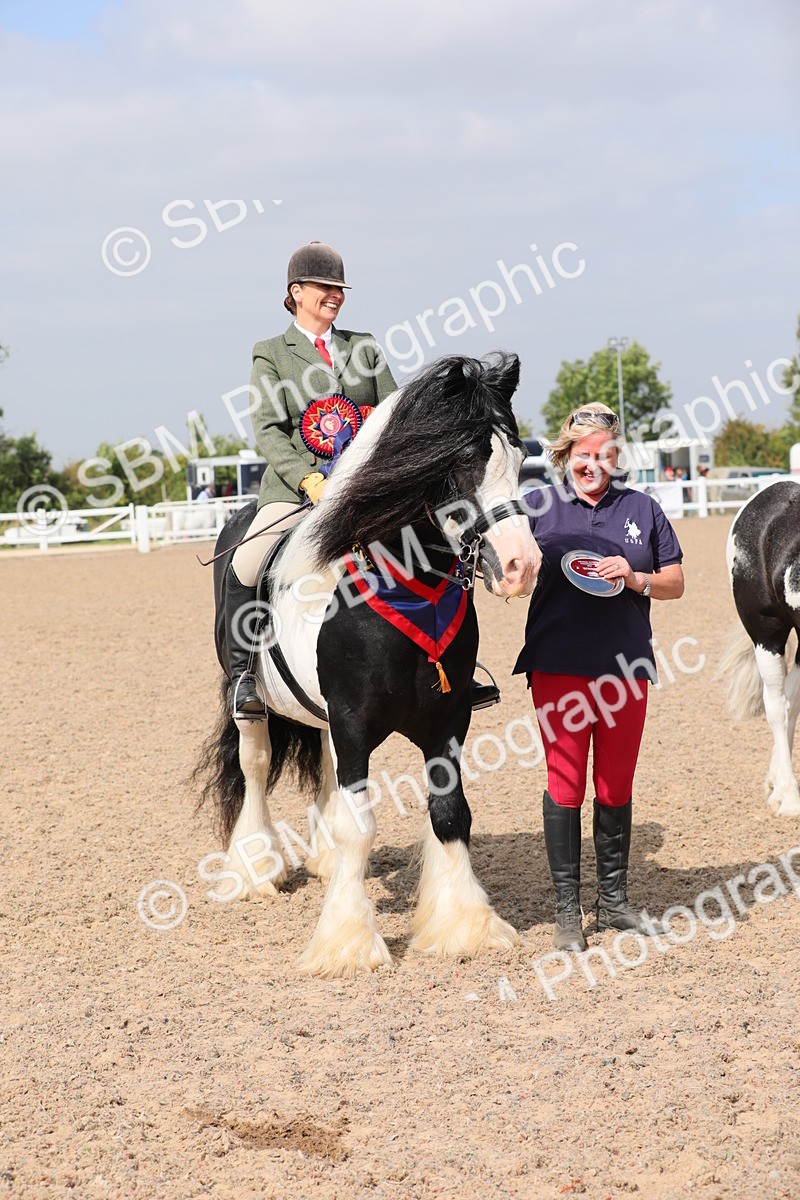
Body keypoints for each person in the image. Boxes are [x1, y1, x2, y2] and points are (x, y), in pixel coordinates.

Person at [225, 240, 501, 719]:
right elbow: (268, 429)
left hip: (365, 491)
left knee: (441, 543)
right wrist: (308, 480)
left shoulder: (363, 346)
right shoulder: (271, 353)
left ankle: (457, 666)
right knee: (246, 564)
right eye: (325, 287)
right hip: (297, 490)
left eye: (340, 288)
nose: (335, 295)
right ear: (297, 291)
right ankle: (243, 676)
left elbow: (395, 415)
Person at [513, 403, 684, 952]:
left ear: (615, 455)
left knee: (615, 783)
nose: (593, 464)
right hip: (557, 666)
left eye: (603, 453)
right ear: (567, 455)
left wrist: (635, 577)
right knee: (565, 782)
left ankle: (613, 902)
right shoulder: (539, 507)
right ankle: (569, 912)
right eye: (583, 455)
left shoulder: (643, 508)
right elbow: (506, 568)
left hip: (626, 668)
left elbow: (676, 582)